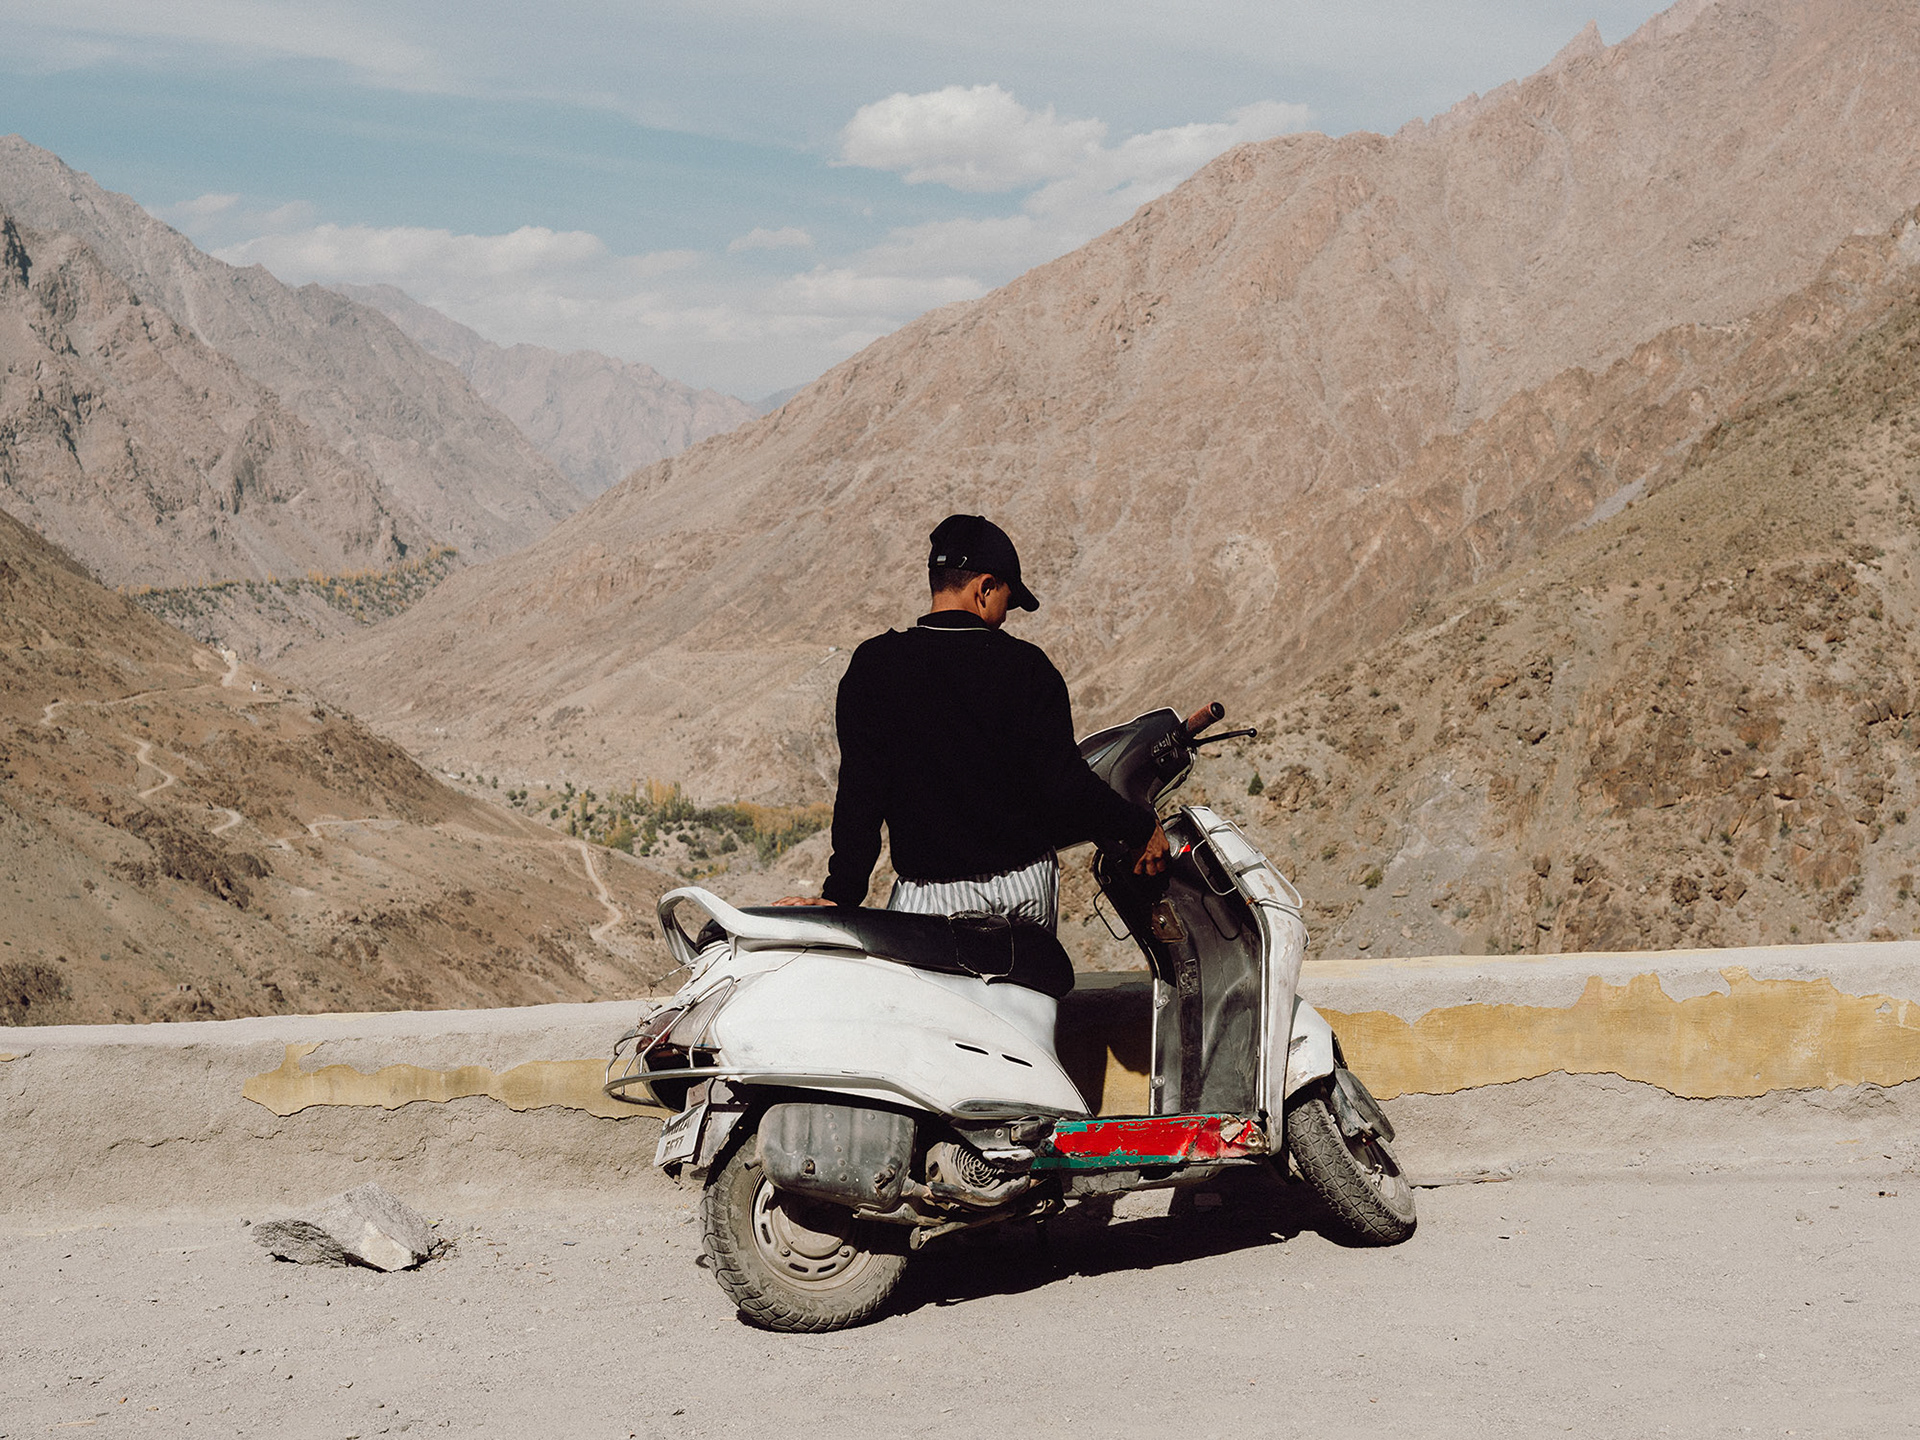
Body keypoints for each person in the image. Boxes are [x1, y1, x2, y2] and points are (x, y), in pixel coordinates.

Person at [777, 513, 1168, 929]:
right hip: (1025, 892)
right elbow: (1065, 785)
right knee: (1028, 995)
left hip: (929, 902)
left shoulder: (874, 667)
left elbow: (861, 794)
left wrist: (841, 895)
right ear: (984, 588)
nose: (1005, 616)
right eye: (1007, 599)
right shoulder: (1026, 667)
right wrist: (1139, 827)